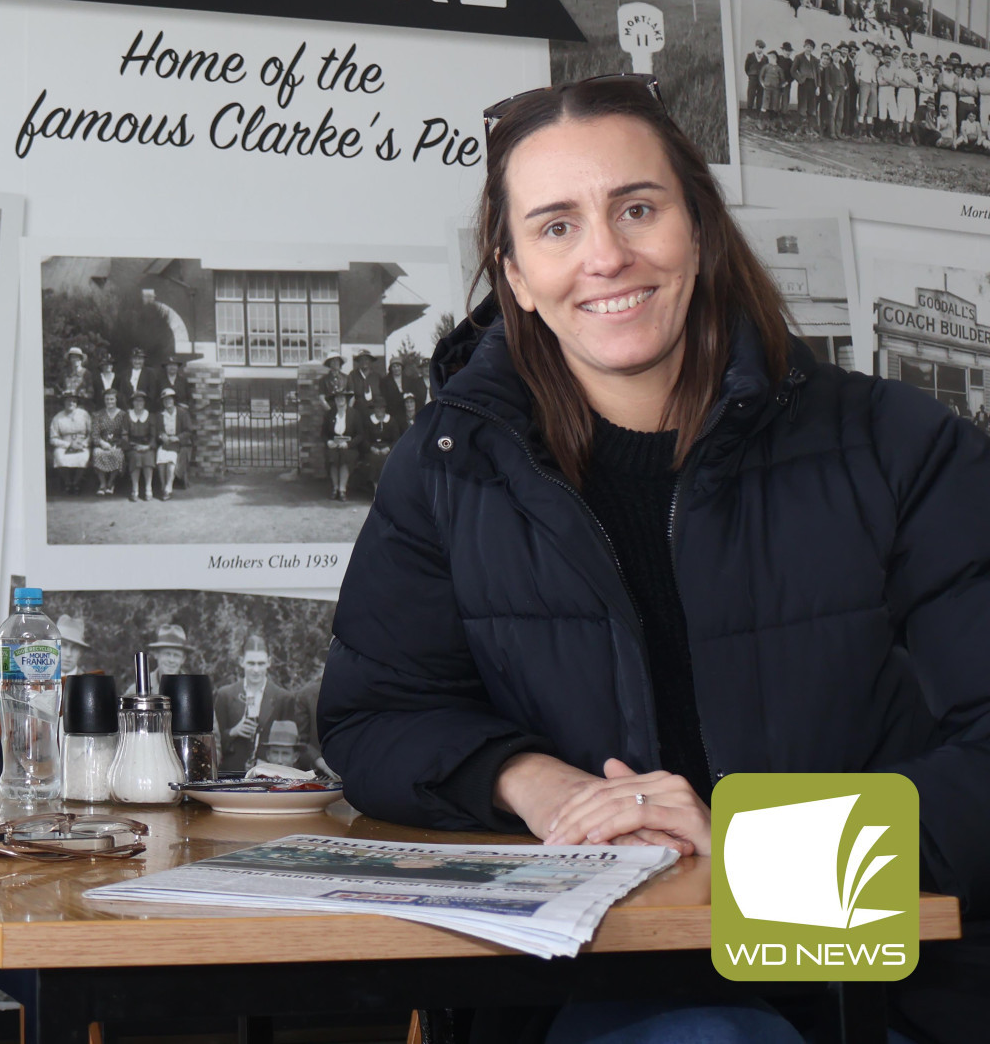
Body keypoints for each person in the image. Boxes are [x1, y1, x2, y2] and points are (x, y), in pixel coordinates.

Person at [320, 73, 990, 1044]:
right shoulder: (447, 469)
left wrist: (747, 854)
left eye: (636, 208)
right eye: (553, 227)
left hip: (865, 984)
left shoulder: (901, 447)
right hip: (580, 981)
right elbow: (373, 717)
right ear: (511, 273)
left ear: (698, 228)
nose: (603, 256)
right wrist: (533, 781)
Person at [214, 636, 311, 774]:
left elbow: (289, 743)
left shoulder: (283, 698)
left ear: (269, 662)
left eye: (261, 663)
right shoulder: (225, 695)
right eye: (251, 663)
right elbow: (213, 743)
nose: (256, 669)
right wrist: (234, 731)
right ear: (242, 662)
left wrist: (265, 760)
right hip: (231, 773)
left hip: (269, 775)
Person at [48, 389, 93, 494]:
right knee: (59, 456)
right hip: (65, 443)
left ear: (77, 403)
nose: (71, 403)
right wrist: (68, 444)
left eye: (73, 401)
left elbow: (91, 433)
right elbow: (53, 438)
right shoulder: (58, 418)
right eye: (68, 401)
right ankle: (68, 483)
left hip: (81, 443)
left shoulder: (84, 414)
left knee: (83, 457)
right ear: (63, 403)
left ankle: (76, 483)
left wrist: (84, 443)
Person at [322, 380, 355, 501]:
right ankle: (335, 488)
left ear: (346, 399)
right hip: (334, 445)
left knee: (345, 457)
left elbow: (360, 435)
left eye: (342, 397)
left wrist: (349, 444)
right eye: (337, 397)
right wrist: (328, 442)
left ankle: (342, 490)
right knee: (332, 457)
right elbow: (324, 433)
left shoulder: (353, 414)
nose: (340, 400)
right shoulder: (329, 414)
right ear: (334, 400)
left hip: (349, 447)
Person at [124, 389, 158, 501]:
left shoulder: (150, 416)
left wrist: (148, 446)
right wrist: (133, 446)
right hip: (132, 446)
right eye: (136, 401)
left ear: (144, 403)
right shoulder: (127, 416)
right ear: (132, 402)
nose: (139, 403)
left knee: (148, 457)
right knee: (136, 457)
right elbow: (124, 435)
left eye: (141, 401)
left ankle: (148, 488)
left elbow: (154, 435)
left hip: (147, 445)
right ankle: (135, 489)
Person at [91, 391, 127, 496]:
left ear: (116, 400)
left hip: (117, 444)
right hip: (102, 443)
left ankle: (111, 482)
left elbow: (125, 433)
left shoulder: (123, 415)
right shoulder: (98, 414)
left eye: (112, 399)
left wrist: (117, 444)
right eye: (107, 399)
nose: (109, 401)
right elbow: (94, 433)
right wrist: (102, 443)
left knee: (117, 454)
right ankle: (102, 483)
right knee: (97, 453)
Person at [154, 386, 186, 500]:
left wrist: (178, 437)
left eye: (170, 399)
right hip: (165, 443)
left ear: (174, 400)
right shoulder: (160, 415)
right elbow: (158, 430)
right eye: (165, 400)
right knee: (161, 459)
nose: (168, 402)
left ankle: (169, 486)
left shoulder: (182, 413)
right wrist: (161, 435)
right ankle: (163, 486)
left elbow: (189, 431)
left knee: (171, 460)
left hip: (178, 443)